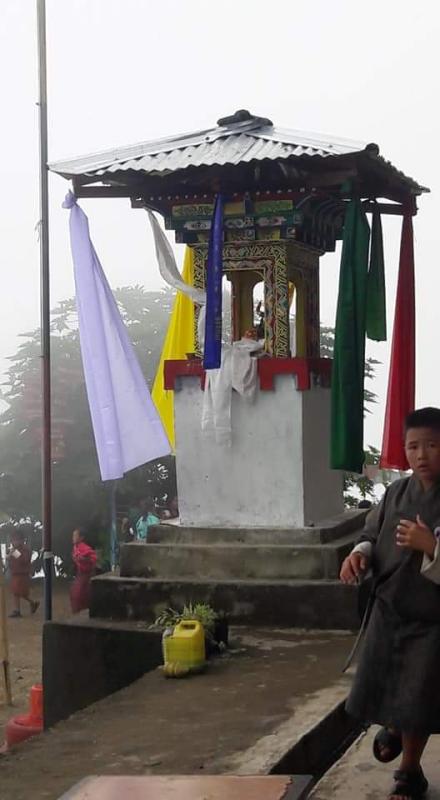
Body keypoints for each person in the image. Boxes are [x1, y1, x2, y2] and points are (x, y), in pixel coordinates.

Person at [340, 407, 440, 800]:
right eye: (414, 446)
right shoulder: (396, 492)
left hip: (432, 619)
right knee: (382, 680)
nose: (421, 455)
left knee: (419, 694)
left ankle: (409, 771)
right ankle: (395, 727)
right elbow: (371, 530)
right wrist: (360, 554)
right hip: (390, 608)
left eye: (432, 445)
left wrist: (430, 546)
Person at [6, 528, 39, 618]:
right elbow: (10, 560)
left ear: (21, 540)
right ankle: (21, 608)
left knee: (20, 592)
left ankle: (20, 609)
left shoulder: (26, 549)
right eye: (12, 540)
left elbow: (24, 560)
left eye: (15, 540)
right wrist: (9, 556)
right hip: (15, 573)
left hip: (22, 574)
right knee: (16, 592)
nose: (14, 542)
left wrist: (14, 553)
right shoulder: (14, 549)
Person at [70, 528, 97, 614]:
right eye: (73, 535)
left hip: (86, 575)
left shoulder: (84, 547)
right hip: (80, 574)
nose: (73, 538)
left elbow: (94, 558)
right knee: (75, 594)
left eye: (75, 536)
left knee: (80, 594)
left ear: (81, 538)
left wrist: (84, 559)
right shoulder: (75, 547)